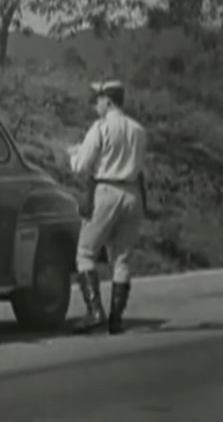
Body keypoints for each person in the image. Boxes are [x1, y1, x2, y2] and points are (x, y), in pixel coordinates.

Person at [66, 80, 148, 335]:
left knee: (85, 252)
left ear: (108, 101)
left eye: (98, 99)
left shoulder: (100, 128)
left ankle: (94, 310)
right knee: (122, 258)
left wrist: (73, 154)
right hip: (132, 193)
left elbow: (81, 166)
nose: (96, 104)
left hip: (106, 190)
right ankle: (116, 318)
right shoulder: (138, 130)